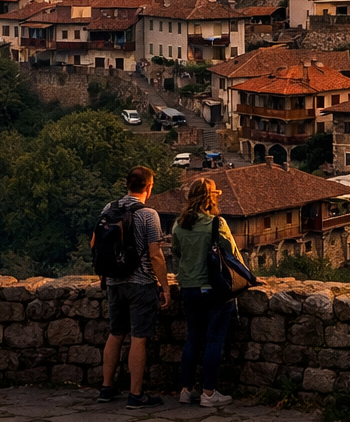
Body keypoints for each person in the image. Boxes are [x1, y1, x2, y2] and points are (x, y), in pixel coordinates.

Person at [96, 165, 170, 408]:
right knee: (138, 338)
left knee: (115, 333)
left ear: (127, 185)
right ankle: (136, 394)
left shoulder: (109, 208)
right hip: (141, 284)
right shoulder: (149, 215)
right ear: (148, 187)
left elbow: (94, 243)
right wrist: (165, 287)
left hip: (114, 283)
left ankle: (106, 387)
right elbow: (155, 255)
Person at [171, 178, 243, 408]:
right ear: (211, 198)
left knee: (193, 339)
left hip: (189, 288)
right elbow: (231, 253)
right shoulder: (216, 223)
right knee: (214, 340)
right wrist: (248, 278)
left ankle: (186, 390)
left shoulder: (178, 225)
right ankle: (209, 393)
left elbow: (177, 253)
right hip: (214, 289)